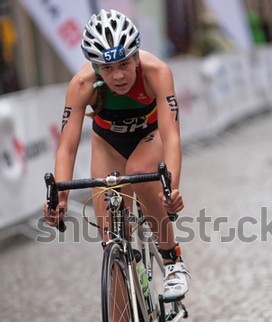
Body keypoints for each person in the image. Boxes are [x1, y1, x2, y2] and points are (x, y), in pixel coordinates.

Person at [43, 9, 190, 300]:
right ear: (95, 67)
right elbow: (67, 146)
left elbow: (171, 135)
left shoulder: (156, 72)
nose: (118, 75)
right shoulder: (82, 85)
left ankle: (173, 261)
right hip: (108, 143)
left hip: (150, 136)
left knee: (139, 172)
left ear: (136, 56)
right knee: (111, 244)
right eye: (107, 69)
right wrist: (59, 196)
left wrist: (170, 188)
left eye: (124, 64)